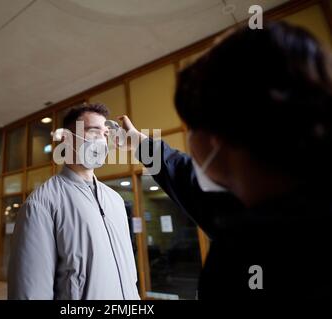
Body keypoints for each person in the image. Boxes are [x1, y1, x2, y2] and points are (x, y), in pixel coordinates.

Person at [120, 21, 332, 298]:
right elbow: (186, 179)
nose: (192, 142)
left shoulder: (247, 246)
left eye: (192, 127)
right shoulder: (256, 202)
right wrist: (138, 141)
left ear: (218, 136)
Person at [8, 103, 140, 300]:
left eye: (105, 135)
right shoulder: (42, 204)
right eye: (93, 132)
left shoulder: (116, 201)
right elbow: (30, 293)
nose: (102, 141)